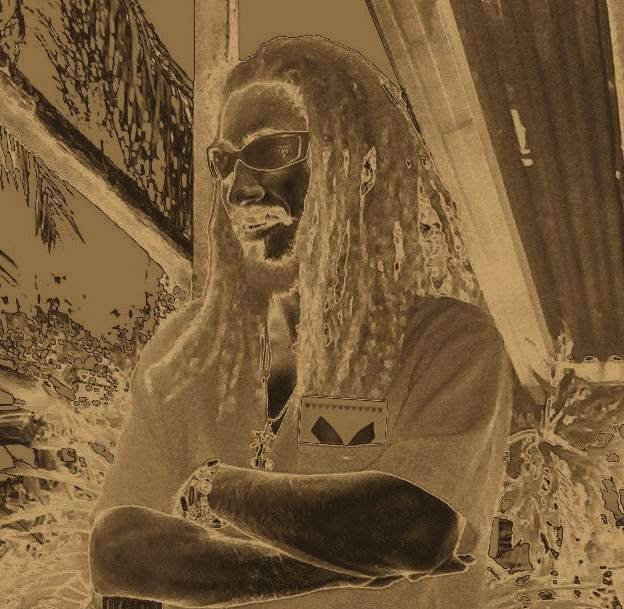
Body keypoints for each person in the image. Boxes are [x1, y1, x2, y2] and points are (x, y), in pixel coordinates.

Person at [88, 36, 513, 609]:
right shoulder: (183, 351)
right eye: (226, 162)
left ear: (361, 169)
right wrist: (337, 569)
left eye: (273, 151)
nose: (240, 188)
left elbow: (412, 530)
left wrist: (212, 488)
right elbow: (117, 552)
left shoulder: (450, 343)